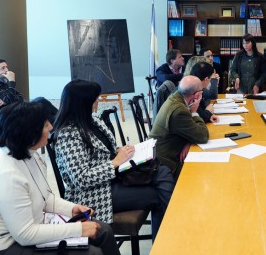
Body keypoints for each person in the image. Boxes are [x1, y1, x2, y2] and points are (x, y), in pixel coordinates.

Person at [0, 102, 131, 255]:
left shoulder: (27, 154)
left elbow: (45, 196)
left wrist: (72, 208)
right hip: (1, 249)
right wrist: (78, 229)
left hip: (24, 231)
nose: (51, 127)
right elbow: (25, 234)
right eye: (45, 124)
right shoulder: (6, 174)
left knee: (103, 231)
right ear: (28, 132)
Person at [52, 80, 175, 240]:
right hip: (92, 193)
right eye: (94, 98)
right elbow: (81, 179)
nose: (98, 101)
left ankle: (168, 235)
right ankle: (168, 237)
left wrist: (121, 152)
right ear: (82, 103)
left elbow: (106, 150)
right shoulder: (68, 133)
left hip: (114, 178)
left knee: (163, 171)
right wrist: (115, 162)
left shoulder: (93, 120)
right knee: (158, 194)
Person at [150, 76, 210, 176]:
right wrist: (194, 112)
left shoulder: (176, 97)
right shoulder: (179, 111)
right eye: (201, 92)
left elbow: (187, 128)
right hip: (164, 163)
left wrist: (189, 141)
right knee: (204, 171)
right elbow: (203, 136)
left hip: (163, 153)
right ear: (197, 95)